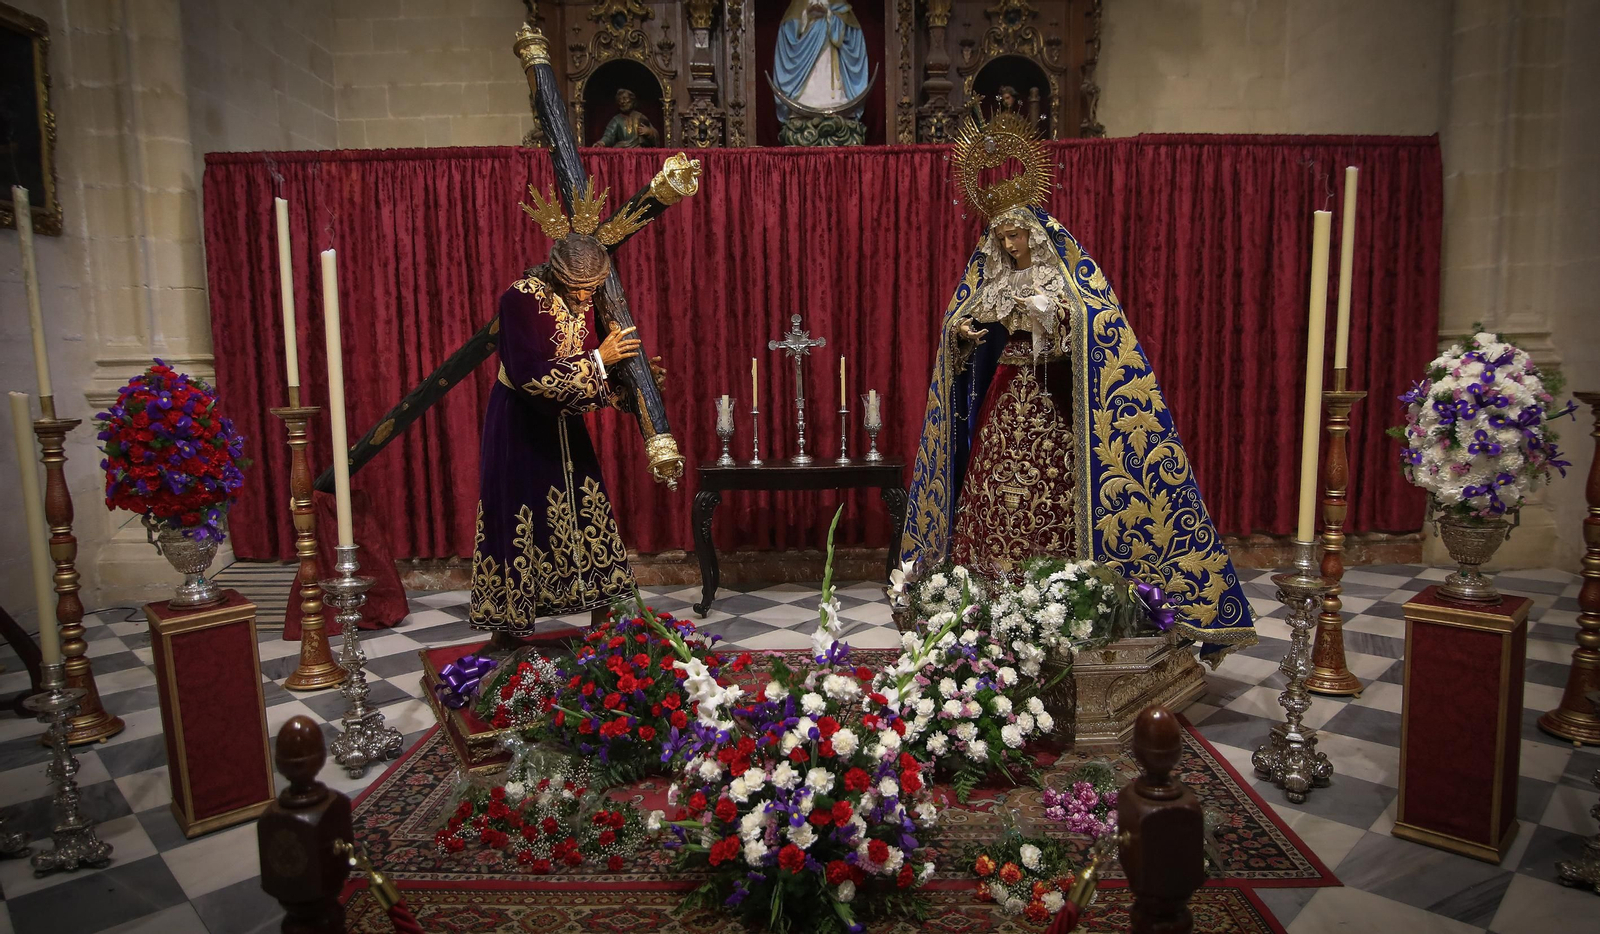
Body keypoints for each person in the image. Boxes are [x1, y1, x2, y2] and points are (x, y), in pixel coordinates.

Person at [901, 113, 1255, 660]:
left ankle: (1060, 604)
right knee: (994, 491)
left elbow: (1091, 322)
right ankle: (988, 606)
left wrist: (1046, 313)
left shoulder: (1062, 274)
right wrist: (964, 332)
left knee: (1053, 490)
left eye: (1015, 233)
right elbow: (963, 327)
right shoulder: (991, 275)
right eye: (1000, 235)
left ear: (1034, 232)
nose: (1008, 241)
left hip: (1049, 399)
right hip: (1006, 395)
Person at [469, 189, 664, 647]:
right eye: (578, 290)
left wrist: (630, 380)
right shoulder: (521, 298)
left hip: (564, 425)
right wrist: (600, 359)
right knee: (518, 516)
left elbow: (596, 370)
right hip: (519, 423)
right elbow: (531, 376)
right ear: (557, 276)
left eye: (592, 290)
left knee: (586, 509)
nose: (584, 300)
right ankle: (508, 628)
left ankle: (600, 617)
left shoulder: (586, 299)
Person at [772, 0, 870, 122]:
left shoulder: (840, 5)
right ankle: (808, 101)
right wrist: (806, 16)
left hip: (832, 59)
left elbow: (853, 37)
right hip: (805, 62)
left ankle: (833, 103)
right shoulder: (798, 4)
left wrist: (830, 16)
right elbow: (788, 34)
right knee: (810, 89)